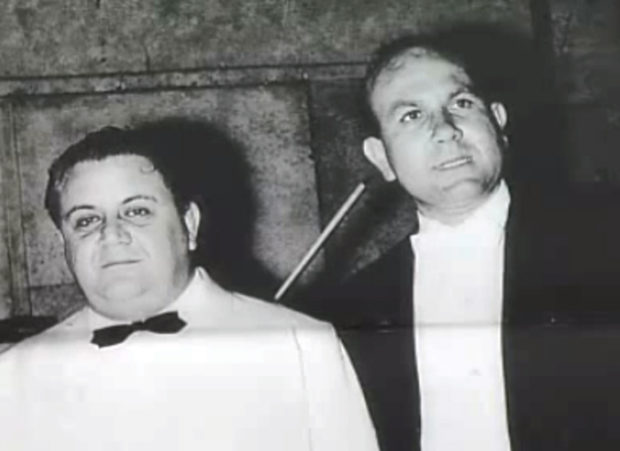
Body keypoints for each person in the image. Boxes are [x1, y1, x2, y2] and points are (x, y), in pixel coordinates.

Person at [301, 33, 620, 451]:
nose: (445, 130)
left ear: (499, 123)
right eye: (411, 115)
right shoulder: (350, 312)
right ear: (381, 158)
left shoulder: (603, 247)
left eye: (462, 104)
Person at [0, 125, 379, 451]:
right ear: (63, 242)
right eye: (86, 220)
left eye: (137, 211)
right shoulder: (16, 374)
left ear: (189, 225)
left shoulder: (301, 346)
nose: (111, 234)